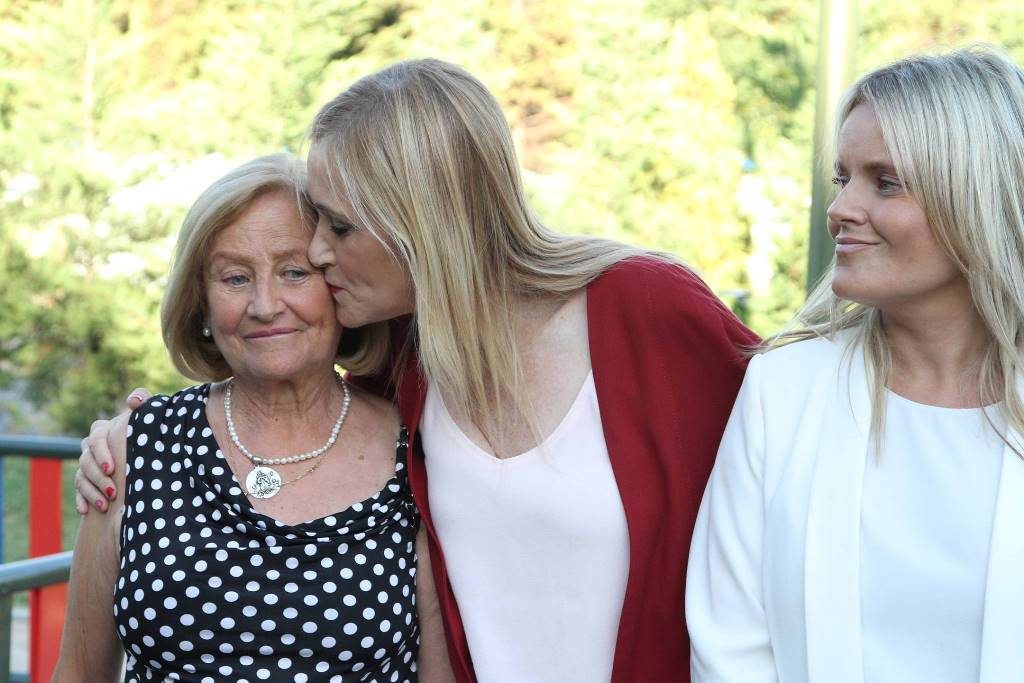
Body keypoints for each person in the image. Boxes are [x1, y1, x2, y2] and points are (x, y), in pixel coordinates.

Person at [75, 60, 758, 682]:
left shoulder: (645, 309)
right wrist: (130, 434)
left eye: (338, 227)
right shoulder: (400, 362)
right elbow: (281, 405)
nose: (317, 251)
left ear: (418, 220)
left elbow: (792, 445)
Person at [686, 46, 1024, 682]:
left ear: (977, 195)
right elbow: (729, 648)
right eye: (843, 178)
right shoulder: (782, 391)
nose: (840, 207)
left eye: (885, 181)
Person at [55, 154, 453, 681]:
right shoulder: (136, 447)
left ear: (340, 284)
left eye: (294, 272)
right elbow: (80, 672)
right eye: (235, 278)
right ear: (201, 303)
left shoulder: (416, 450)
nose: (265, 305)